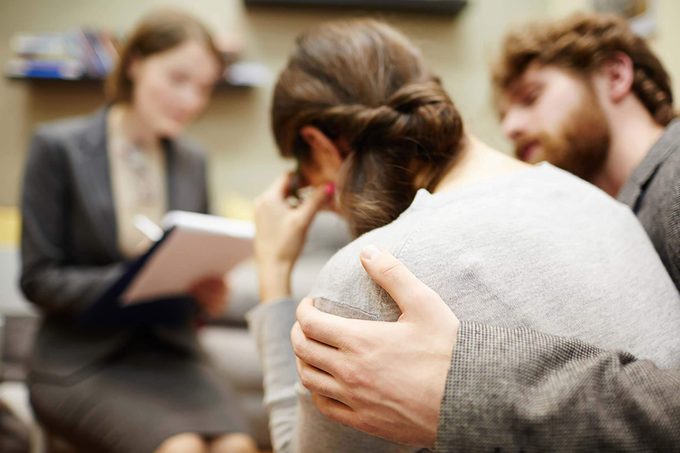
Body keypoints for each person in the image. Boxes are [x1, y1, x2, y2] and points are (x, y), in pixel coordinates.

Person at [247, 18, 680, 452]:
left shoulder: (375, 270)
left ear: (320, 144)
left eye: (310, 182)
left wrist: (273, 270)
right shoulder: (598, 200)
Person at [20, 10, 256, 453]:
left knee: (237, 446)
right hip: (80, 359)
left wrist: (204, 294)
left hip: (169, 355)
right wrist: (135, 282)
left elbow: (192, 273)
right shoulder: (58, 148)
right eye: (177, 79)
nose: (190, 100)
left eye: (203, 87)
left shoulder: (192, 161)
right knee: (180, 446)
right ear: (134, 65)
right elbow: (38, 279)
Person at [496, 13, 679, 288]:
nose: (510, 128)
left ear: (615, 76)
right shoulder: (622, 219)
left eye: (530, 97)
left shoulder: (675, 176)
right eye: (503, 116)